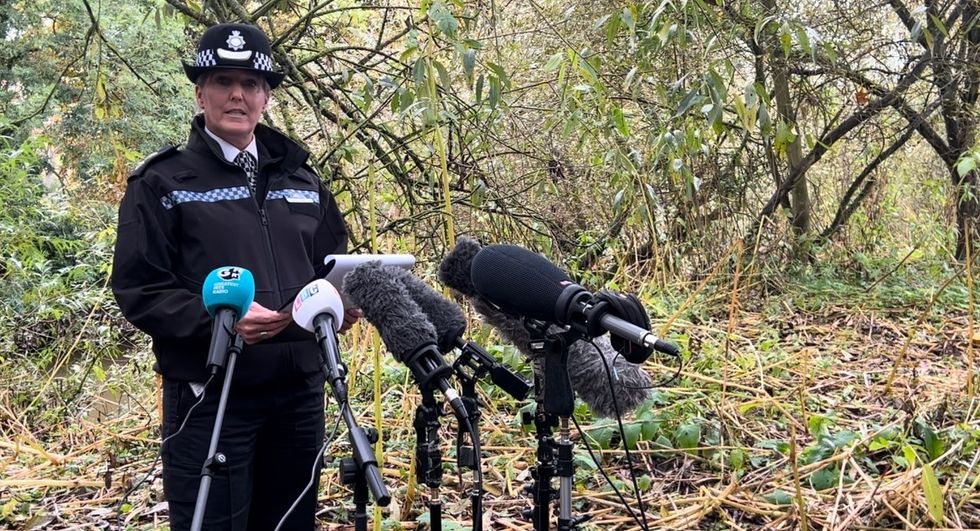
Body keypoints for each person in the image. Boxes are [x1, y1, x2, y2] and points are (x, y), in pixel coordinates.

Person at [112, 22, 359, 530]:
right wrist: (219, 322)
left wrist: (342, 305)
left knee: (291, 523)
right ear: (200, 91)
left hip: (299, 392)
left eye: (251, 84)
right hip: (211, 395)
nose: (237, 95)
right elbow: (141, 287)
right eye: (223, 81)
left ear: (267, 95)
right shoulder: (161, 182)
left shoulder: (303, 179)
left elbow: (330, 267)